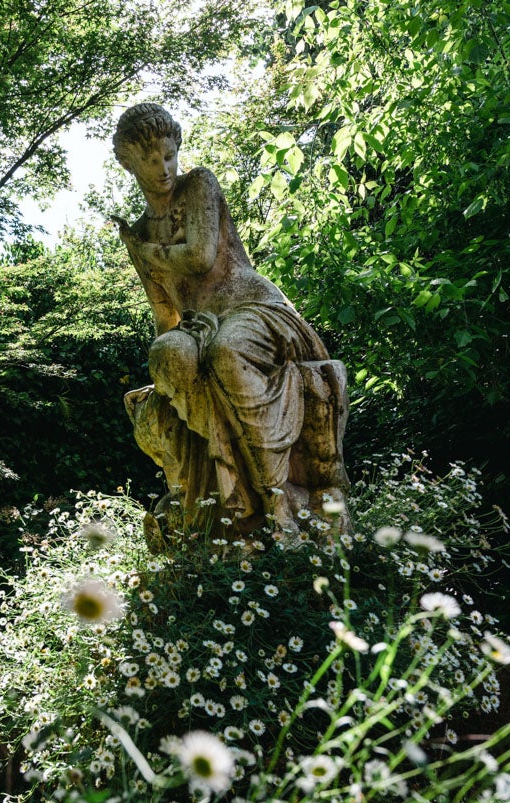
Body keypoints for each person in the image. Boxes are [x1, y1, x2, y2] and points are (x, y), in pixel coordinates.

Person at [111, 103, 348, 544]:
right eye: (150, 159)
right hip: (201, 324)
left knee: (226, 352)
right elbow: (166, 314)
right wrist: (167, 375)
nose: (164, 168)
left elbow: (200, 257)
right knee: (167, 356)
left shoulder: (197, 184)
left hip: (253, 309)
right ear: (127, 162)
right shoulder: (141, 232)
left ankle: (277, 492)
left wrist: (148, 254)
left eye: (168, 155)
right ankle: (224, 496)